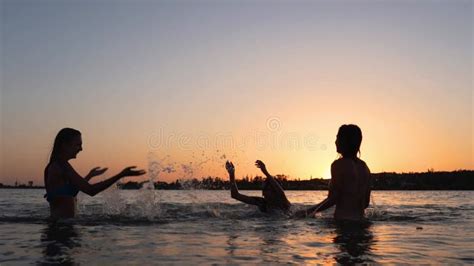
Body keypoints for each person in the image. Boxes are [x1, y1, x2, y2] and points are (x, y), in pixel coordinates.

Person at [44, 128, 146, 219]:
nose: (81, 148)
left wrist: (90, 175)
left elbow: (72, 189)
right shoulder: (61, 166)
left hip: (62, 228)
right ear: (64, 145)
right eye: (78, 144)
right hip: (60, 231)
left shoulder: (56, 165)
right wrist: (121, 175)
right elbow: (90, 190)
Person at [294, 124, 371, 220]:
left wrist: (308, 212)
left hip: (343, 224)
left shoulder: (339, 164)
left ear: (345, 141)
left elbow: (333, 198)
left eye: (338, 138)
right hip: (362, 224)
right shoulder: (365, 167)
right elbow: (365, 203)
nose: (335, 142)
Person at [225, 160, 291, 213]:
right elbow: (235, 195)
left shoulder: (283, 202)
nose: (264, 192)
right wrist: (232, 175)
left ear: (275, 192)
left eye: (267, 189)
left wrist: (265, 171)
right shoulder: (261, 203)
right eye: (264, 189)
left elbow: (279, 190)